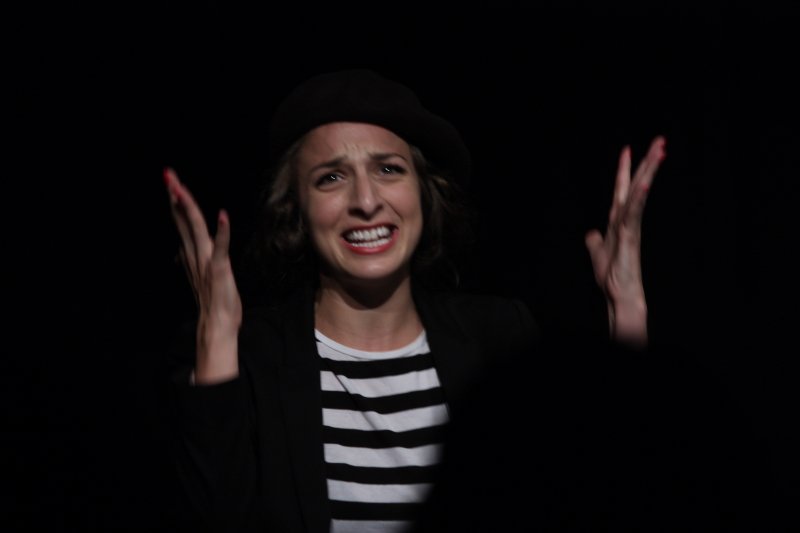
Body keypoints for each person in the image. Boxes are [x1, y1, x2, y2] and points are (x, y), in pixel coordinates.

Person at [162, 68, 668, 532]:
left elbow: (604, 486)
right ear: (296, 209)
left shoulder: (498, 336)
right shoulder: (255, 355)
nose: (366, 201)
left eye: (389, 169)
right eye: (331, 177)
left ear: (424, 192)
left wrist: (627, 311)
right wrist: (217, 339)